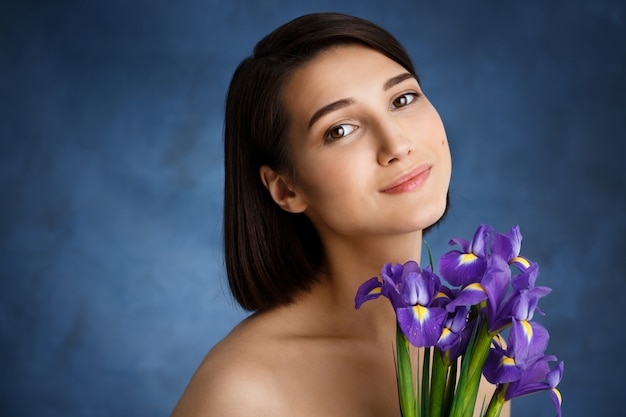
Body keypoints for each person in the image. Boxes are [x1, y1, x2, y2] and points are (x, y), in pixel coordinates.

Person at [171, 12, 510, 417]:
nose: (397, 145)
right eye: (340, 130)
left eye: (403, 99)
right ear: (286, 188)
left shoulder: (476, 348)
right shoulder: (240, 391)